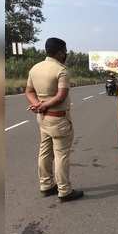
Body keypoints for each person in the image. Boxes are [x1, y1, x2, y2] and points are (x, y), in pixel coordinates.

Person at [25, 38, 84, 202]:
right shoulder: (61, 70)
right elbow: (61, 96)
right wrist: (44, 106)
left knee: (44, 151)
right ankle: (64, 190)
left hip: (42, 119)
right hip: (58, 119)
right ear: (59, 52)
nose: (66, 54)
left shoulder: (35, 68)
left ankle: (46, 185)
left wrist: (37, 104)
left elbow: (28, 91)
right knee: (61, 155)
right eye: (65, 51)